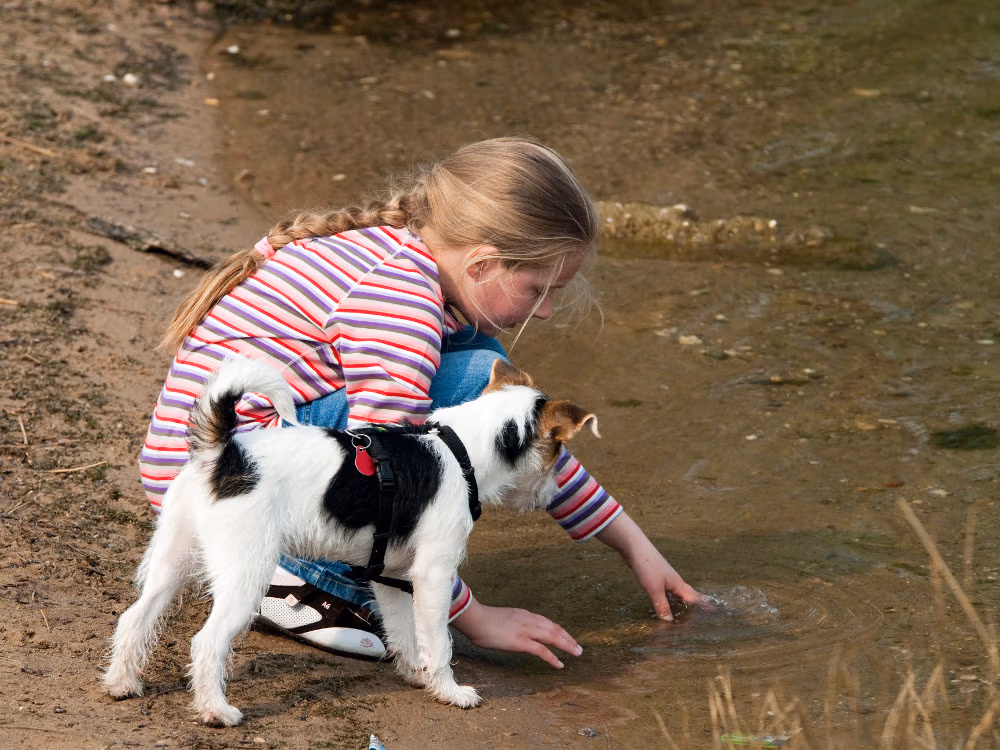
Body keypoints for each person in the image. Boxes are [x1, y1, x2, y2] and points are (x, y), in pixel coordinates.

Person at [140, 136, 702, 669]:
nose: (547, 312)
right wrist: (474, 618)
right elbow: (391, 489)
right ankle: (298, 580)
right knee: (479, 384)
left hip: (204, 461)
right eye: (539, 290)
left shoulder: (410, 256)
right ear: (481, 264)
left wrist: (632, 544)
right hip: (230, 484)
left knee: (486, 386)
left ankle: (306, 567)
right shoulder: (402, 308)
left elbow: (531, 444)